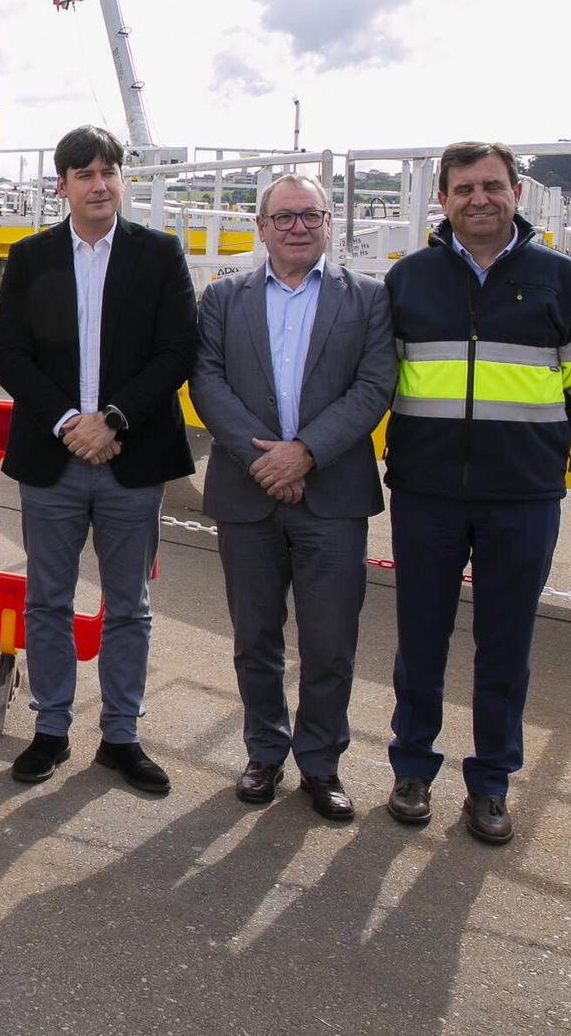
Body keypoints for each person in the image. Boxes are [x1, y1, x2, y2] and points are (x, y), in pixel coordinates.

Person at [382, 141, 571, 844]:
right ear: (441, 200)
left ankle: (491, 783)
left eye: (491, 185)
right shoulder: (408, 279)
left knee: (506, 644)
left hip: (524, 493)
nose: (478, 198)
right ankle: (412, 768)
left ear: (517, 191)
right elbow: (378, 377)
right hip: (426, 489)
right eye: (462, 188)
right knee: (420, 638)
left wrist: (529, 442)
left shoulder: (561, 279)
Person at [0, 125, 197, 790]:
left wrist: (111, 420)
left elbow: (176, 351)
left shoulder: (160, 254)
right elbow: (12, 356)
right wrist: (67, 423)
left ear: (122, 180)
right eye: (84, 173)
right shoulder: (29, 257)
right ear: (62, 185)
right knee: (47, 600)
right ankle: (50, 727)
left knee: (128, 605)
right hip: (54, 460)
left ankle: (122, 735)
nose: (99, 183)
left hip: (129, 458)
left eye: (109, 171)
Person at [188, 173, 395, 821]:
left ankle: (321, 762)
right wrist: (265, 461)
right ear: (261, 226)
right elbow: (207, 382)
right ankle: (264, 751)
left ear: (330, 222)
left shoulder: (367, 299)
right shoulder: (222, 298)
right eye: (284, 216)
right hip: (248, 496)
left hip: (331, 493)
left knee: (330, 640)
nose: (297, 226)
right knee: (255, 635)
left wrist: (304, 450)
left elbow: (373, 385)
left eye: (310, 214)